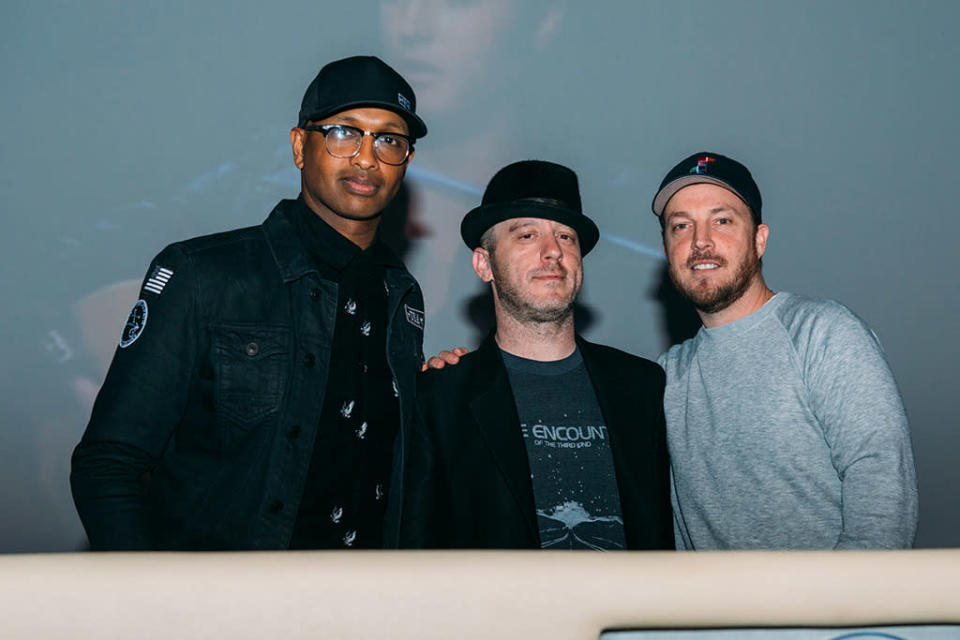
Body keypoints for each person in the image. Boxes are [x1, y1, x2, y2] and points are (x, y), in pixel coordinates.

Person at [70, 56, 428, 551]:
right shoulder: (203, 274)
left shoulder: (401, 296)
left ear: (406, 161)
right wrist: (157, 608)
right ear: (301, 147)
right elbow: (109, 464)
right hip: (223, 612)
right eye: (344, 132)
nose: (367, 157)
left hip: (363, 609)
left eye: (389, 139)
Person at [652, 151, 919, 550]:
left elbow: (881, 491)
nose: (700, 241)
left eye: (722, 220)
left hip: (831, 610)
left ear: (759, 240)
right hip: (711, 613)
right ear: (667, 248)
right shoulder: (666, 376)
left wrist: (838, 607)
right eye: (681, 226)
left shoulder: (823, 332)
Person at [401, 160, 673, 550]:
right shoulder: (438, 400)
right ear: (484, 263)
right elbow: (415, 557)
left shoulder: (644, 388)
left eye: (566, 237)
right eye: (527, 235)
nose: (552, 252)